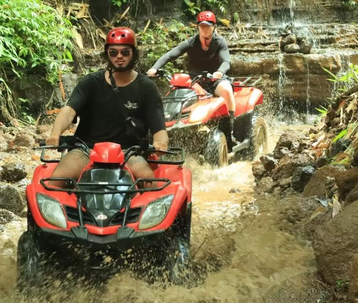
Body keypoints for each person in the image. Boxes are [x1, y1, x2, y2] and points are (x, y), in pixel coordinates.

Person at [46, 27, 169, 183]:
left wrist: (161, 143)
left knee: (150, 182)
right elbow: (69, 111)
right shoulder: (91, 82)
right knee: (56, 181)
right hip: (86, 150)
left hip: (128, 153)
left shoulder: (147, 87)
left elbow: (159, 128)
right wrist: (55, 134)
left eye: (125, 52)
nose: (119, 56)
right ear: (107, 54)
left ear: (133, 54)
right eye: (113, 52)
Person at [146, 11, 237, 143]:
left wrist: (219, 72)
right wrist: (155, 67)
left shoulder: (220, 42)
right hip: (195, 81)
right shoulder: (191, 42)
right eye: (202, 26)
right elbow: (171, 54)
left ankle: (231, 131)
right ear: (198, 27)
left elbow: (226, 61)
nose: (205, 29)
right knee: (177, 95)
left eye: (208, 26)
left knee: (227, 90)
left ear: (214, 27)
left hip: (216, 79)